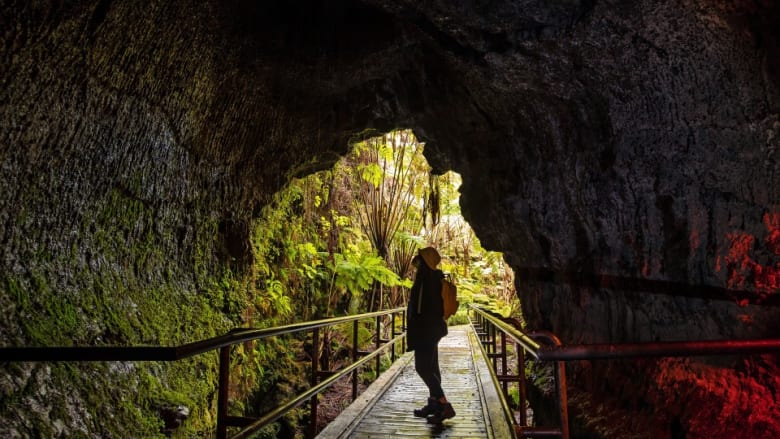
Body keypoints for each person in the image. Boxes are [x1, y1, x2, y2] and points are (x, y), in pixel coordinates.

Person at [406, 247, 456, 424]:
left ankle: (443, 404)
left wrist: (420, 331)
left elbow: (425, 310)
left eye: (419, 261)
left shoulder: (428, 282)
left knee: (423, 367)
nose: (417, 264)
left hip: (426, 332)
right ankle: (434, 404)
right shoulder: (430, 279)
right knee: (432, 367)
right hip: (430, 331)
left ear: (425, 263)